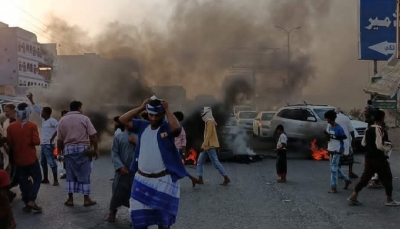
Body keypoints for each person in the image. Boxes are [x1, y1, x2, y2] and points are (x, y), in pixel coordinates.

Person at [119, 96, 186, 229]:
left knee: (163, 222)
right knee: (139, 221)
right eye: (151, 115)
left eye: (157, 115)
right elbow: (122, 120)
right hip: (141, 180)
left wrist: (167, 109)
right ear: (147, 114)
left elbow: (177, 129)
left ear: (162, 114)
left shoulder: (166, 128)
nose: (154, 118)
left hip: (163, 182)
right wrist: (141, 107)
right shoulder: (142, 126)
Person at [347, 110, 400, 206]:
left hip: (369, 158)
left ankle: (353, 196)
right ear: (382, 118)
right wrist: (389, 145)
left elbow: (363, 143)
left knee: (365, 178)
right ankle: (389, 199)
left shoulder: (368, 129)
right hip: (379, 158)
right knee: (387, 177)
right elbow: (380, 145)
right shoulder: (380, 129)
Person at [57, 101, 98, 207]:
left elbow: (59, 139)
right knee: (85, 173)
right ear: (79, 108)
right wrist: (96, 149)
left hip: (68, 150)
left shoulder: (62, 120)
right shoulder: (84, 118)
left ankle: (70, 199)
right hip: (83, 150)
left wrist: (60, 152)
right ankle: (86, 199)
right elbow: (93, 136)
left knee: (70, 174)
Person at [7, 103, 42, 212]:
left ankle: (27, 204)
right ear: (28, 113)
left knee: (23, 183)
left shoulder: (11, 127)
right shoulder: (32, 126)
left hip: (18, 159)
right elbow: (36, 142)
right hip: (31, 159)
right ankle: (31, 200)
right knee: (37, 179)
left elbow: (9, 142)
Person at [27, 93, 59, 186]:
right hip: (43, 144)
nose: (41, 113)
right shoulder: (44, 120)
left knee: (51, 162)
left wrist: (52, 138)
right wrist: (31, 100)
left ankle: (55, 180)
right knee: (43, 162)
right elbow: (37, 109)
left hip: (49, 145)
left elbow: (59, 128)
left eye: (43, 112)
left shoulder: (52, 120)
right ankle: (45, 179)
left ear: (47, 113)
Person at [107, 126, 137, 223]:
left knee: (135, 196)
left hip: (136, 172)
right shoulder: (119, 137)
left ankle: (135, 218)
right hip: (122, 172)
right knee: (117, 192)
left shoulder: (141, 136)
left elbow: (147, 151)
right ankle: (112, 212)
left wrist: (137, 143)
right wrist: (119, 166)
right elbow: (114, 153)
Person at [196, 107, 230, 186]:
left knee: (215, 163)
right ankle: (200, 178)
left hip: (209, 146)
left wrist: (203, 145)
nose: (202, 113)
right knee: (200, 162)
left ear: (206, 113)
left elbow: (208, 135)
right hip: (207, 145)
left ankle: (226, 177)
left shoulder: (210, 122)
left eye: (203, 112)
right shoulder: (208, 122)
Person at [324, 110, 351, 193]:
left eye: (327, 118)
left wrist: (334, 137)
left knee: (333, 169)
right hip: (331, 149)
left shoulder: (339, 128)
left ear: (330, 118)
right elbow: (328, 138)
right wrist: (327, 135)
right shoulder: (328, 126)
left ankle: (333, 187)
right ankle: (346, 179)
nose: (326, 120)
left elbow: (343, 138)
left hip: (337, 149)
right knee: (334, 167)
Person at [173, 111, 197, 187]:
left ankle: (191, 178)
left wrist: (183, 152)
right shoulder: (173, 126)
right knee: (177, 167)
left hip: (177, 149)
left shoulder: (179, 128)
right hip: (174, 149)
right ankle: (192, 178)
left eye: (174, 117)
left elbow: (183, 140)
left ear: (177, 118)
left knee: (176, 167)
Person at [334, 108, 358, 179]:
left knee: (338, 158)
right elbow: (351, 129)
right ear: (342, 112)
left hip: (337, 142)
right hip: (346, 141)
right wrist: (353, 138)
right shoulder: (346, 118)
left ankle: (339, 172)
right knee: (350, 158)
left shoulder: (333, 118)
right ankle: (350, 172)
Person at [59, 110, 68, 180]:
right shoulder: (60, 123)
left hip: (70, 144)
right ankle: (67, 173)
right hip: (63, 144)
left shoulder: (72, 124)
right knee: (64, 160)